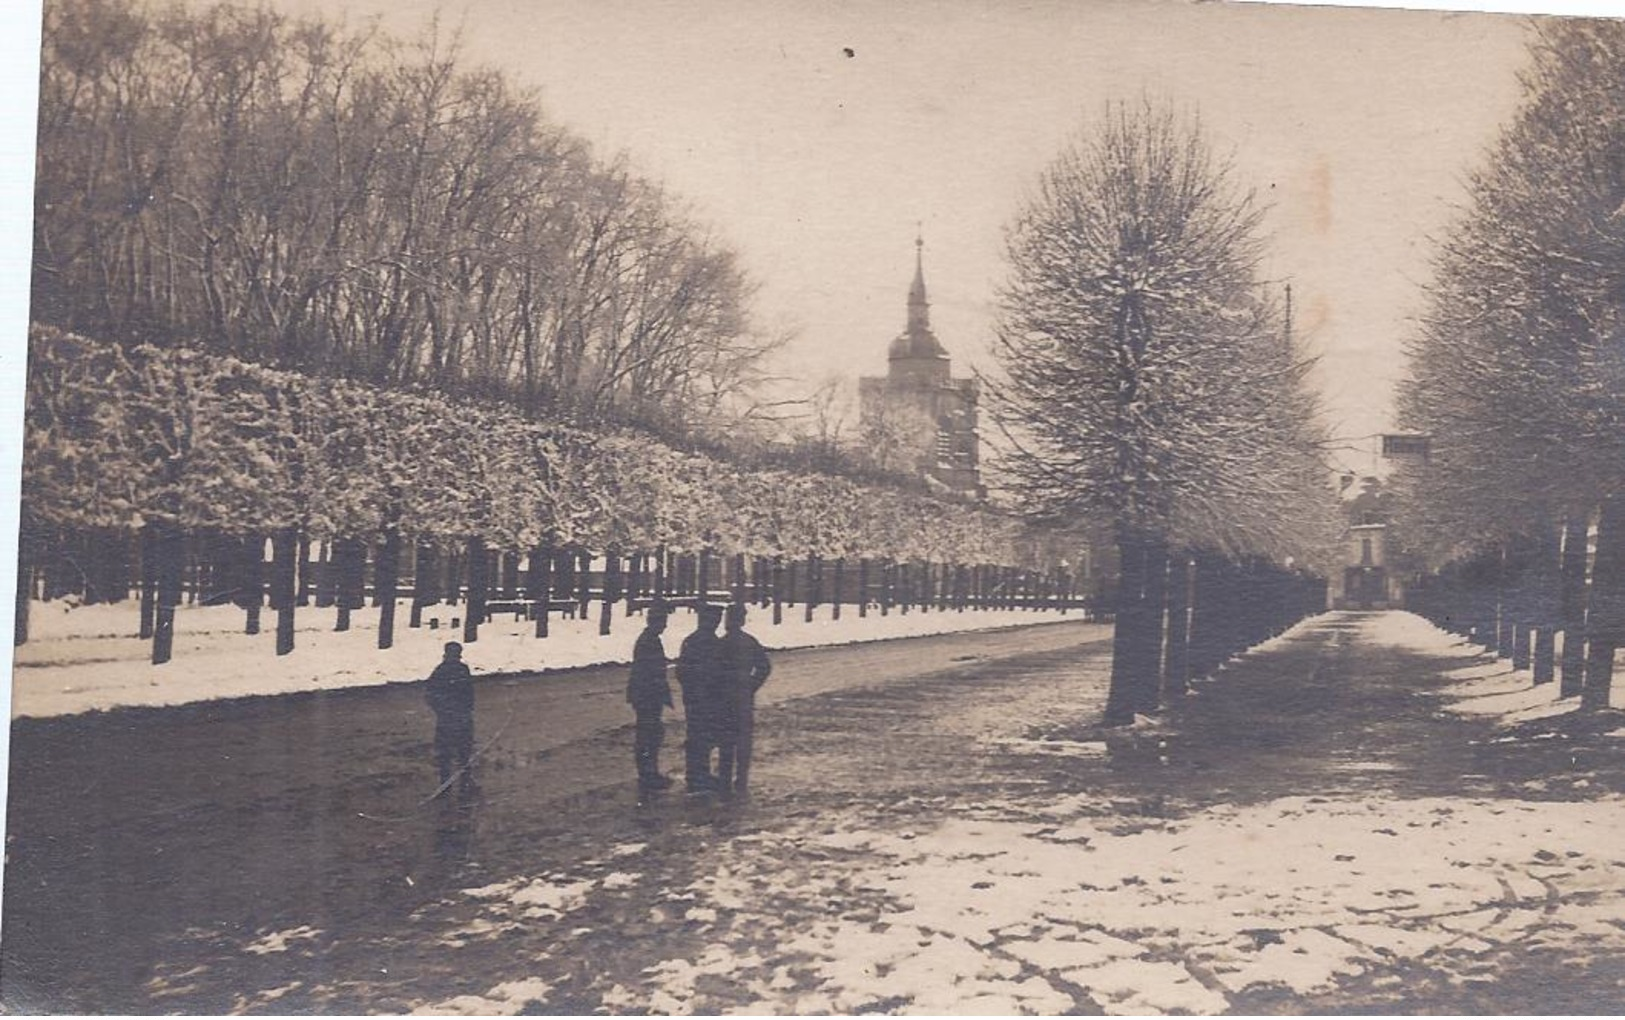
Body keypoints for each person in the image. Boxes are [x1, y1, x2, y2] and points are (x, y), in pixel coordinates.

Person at [717, 603, 772, 796]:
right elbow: (764, 667)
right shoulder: (749, 641)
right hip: (742, 698)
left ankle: (725, 780)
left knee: (726, 742)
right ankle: (740, 779)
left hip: (726, 698)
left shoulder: (721, 643)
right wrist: (751, 686)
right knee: (742, 741)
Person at [674, 603, 725, 793]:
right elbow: (683, 671)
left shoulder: (705, 641)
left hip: (703, 698)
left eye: (717, 620)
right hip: (700, 698)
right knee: (699, 736)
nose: (715, 623)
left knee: (703, 736)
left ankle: (699, 774)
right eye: (713, 619)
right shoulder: (698, 642)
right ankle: (696, 777)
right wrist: (698, 688)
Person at [627, 602, 675, 791]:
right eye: (663, 621)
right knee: (649, 735)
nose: (665, 625)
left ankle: (649, 773)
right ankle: (648, 775)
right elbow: (651, 672)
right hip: (647, 695)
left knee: (650, 734)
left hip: (645, 694)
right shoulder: (649, 640)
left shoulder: (649, 638)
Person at [425, 640, 476, 793]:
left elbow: (430, 695)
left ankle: (450, 783)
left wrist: (443, 711)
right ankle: (459, 782)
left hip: (451, 718)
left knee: (450, 753)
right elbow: (469, 693)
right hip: (456, 718)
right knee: (460, 752)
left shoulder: (443, 670)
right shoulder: (452, 670)